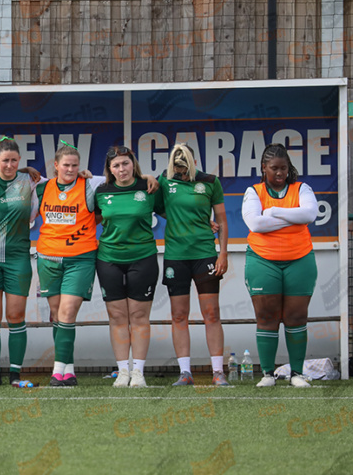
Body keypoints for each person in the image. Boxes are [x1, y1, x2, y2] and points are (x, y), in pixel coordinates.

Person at [242, 143, 317, 388]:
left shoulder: (302, 188)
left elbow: (309, 216)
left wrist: (272, 211)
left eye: (283, 168)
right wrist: (291, 217)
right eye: (274, 168)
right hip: (263, 260)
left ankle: (297, 373)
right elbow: (256, 225)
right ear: (264, 168)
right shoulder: (253, 191)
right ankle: (267, 374)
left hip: (300, 259)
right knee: (266, 317)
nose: (279, 173)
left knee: (296, 316)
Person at [159, 144, 230, 386]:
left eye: (185, 168)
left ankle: (218, 372)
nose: (182, 173)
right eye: (177, 169)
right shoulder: (165, 181)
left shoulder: (211, 182)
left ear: (194, 161)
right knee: (179, 315)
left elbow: (221, 219)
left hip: (205, 255)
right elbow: (159, 205)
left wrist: (223, 254)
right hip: (176, 256)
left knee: (212, 314)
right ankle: (185, 373)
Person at [95, 146, 163, 388]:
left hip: (142, 258)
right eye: (116, 165)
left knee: (139, 316)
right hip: (108, 259)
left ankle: (138, 372)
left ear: (133, 164)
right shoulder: (101, 191)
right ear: (109, 170)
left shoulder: (149, 188)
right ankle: (123, 371)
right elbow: (88, 218)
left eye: (125, 163)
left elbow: (175, 210)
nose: (121, 169)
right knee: (117, 316)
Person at [0, 138, 40, 386]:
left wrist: (85, 173)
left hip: (17, 258)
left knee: (16, 316)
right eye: (5, 160)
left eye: (15, 160)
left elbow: (66, 179)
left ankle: (15, 373)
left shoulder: (30, 181)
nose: (10, 165)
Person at [34, 143, 97, 387]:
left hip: (80, 258)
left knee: (68, 312)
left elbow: (124, 177)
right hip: (48, 257)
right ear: (56, 166)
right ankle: (67, 371)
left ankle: (57, 370)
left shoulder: (89, 184)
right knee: (57, 314)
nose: (70, 169)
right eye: (66, 165)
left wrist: (146, 177)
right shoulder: (42, 187)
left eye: (75, 165)